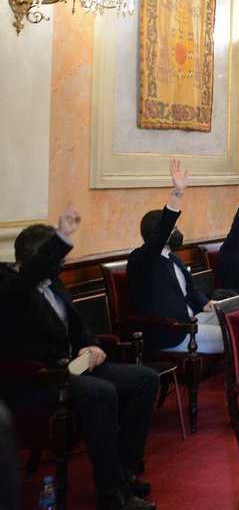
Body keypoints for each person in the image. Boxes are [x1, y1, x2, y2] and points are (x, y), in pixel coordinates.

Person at [0, 207, 159, 510]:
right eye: (56, 258)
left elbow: (78, 326)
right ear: (39, 259)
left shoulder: (54, 283)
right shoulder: (8, 285)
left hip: (72, 368)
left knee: (144, 380)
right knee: (100, 392)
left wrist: (90, 345)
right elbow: (24, 283)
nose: (62, 265)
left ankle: (123, 472)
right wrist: (61, 236)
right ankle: (112, 493)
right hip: (36, 380)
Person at [127, 159, 223, 354]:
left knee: (235, 320)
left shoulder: (174, 258)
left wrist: (206, 303)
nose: (177, 233)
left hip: (193, 319)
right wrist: (177, 194)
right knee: (233, 336)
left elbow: (190, 290)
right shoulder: (142, 259)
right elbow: (162, 232)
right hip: (172, 333)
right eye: (174, 229)